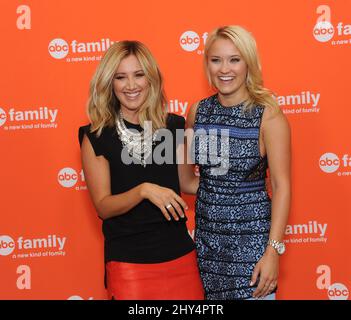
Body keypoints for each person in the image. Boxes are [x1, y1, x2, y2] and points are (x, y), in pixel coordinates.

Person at [78, 40, 204, 300]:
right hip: (130, 264)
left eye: (139, 75)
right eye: (121, 77)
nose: (131, 86)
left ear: (151, 78)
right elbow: (103, 206)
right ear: (109, 83)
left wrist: (241, 184)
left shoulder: (173, 127)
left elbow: (187, 182)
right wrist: (144, 191)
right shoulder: (97, 135)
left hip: (181, 258)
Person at [183, 25, 291, 300]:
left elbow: (281, 186)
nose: (224, 69)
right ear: (207, 63)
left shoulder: (268, 115)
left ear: (248, 63)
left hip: (253, 249)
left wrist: (273, 252)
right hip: (208, 249)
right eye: (216, 59)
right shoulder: (198, 111)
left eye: (234, 59)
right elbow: (187, 181)